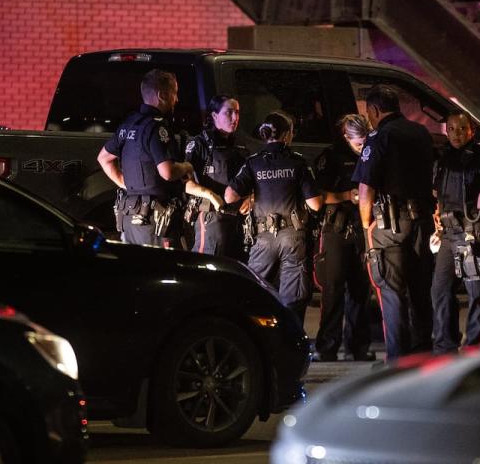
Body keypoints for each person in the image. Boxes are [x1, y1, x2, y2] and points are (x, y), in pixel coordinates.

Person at [352, 85, 436, 360]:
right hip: (422, 222)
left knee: (393, 293)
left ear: (374, 110)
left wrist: (366, 225)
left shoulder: (379, 138)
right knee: (421, 290)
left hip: (390, 225)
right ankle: (423, 352)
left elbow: (366, 187)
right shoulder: (421, 133)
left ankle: (398, 360)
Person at [225, 112, 322, 320]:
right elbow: (315, 204)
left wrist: (251, 195)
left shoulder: (254, 162)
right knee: (293, 299)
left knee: (254, 293)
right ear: (287, 135)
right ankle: (292, 346)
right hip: (293, 237)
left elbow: (229, 195)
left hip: (264, 238)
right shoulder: (298, 162)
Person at [97, 69, 193, 247]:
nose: (176, 100)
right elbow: (167, 172)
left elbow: (104, 158)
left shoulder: (129, 124)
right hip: (154, 225)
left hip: (130, 219)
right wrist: (187, 166)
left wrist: (128, 185)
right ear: (162, 95)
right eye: (174, 93)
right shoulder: (157, 128)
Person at [431, 111, 480, 353]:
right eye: (451, 129)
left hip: (473, 230)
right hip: (448, 233)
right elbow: (437, 193)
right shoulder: (443, 158)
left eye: (461, 129)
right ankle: (445, 344)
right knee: (440, 289)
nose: (456, 134)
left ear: (471, 130)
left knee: (476, 291)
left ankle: (476, 346)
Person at [312, 114, 374, 362]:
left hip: (362, 228)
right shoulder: (331, 157)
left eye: (365, 142)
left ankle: (358, 347)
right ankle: (327, 346)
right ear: (346, 137)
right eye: (358, 144)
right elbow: (316, 197)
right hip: (337, 228)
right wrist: (346, 195)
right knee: (333, 289)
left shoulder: (371, 153)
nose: (362, 148)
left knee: (361, 290)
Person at [183, 95, 248, 260]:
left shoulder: (239, 146)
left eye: (237, 113)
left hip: (238, 220)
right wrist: (211, 195)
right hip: (211, 219)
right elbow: (185, 184)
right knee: (208, 267)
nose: (235, 118)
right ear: (214, 115)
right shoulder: (199, 144)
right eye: (229, 113)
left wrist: (251, 198)